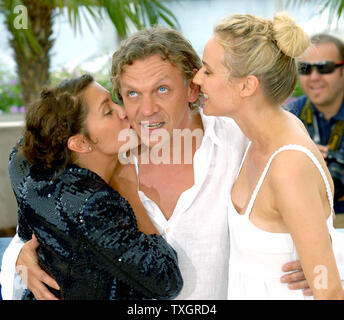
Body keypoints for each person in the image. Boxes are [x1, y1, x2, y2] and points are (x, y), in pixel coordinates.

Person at [1, 27, 311, 300]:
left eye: (162, 89)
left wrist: (324, 261)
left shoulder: (240, 143)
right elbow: (35, 229)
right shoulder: (99, 158)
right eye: (132, 94)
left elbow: (310, 198)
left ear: (192, 88)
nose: (146, 110)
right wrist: (20, 260)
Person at [193, 12, 344, 299]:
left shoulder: (288, 166)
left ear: (247, 85)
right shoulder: (260, 134)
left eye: (208, 71)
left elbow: (330, 291)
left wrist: (325, 265)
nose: (197, 78)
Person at [4, 74, 183, 300]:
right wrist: (128, 188)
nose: (124, 111)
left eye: (114, 101)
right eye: (108, 111)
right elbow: (166, 279)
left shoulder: (24, 164)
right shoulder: (93, 206)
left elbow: (27, 230)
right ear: (80, 143)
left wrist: (23, 257)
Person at [287, 34, 344, 223]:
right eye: (305, 69)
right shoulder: (289, 116)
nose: (314, 77)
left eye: (324, 68)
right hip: (307, 221)